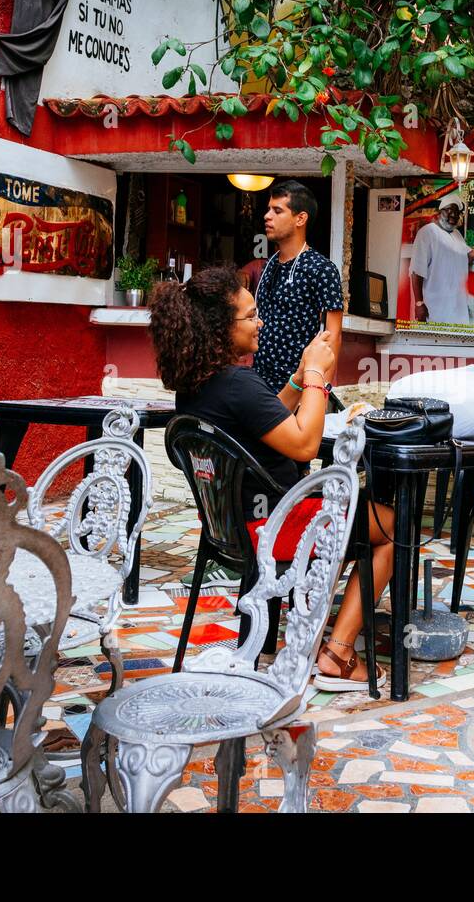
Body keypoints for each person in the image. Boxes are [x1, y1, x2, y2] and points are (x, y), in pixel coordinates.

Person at [150, 268, 392, 691]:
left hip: (233, 530)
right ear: (221, 328)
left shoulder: (198, 387)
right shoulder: (237, 383)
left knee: (358, 510)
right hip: (277, 529)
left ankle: (309, 626)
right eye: (251, 315)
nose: (259, 322)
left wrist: (299, 380)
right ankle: (337, 653)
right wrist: (318, 375)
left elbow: (268, 420)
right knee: (392, 525)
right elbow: (301, 444)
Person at [253, 180, 344, 392]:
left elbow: (333, 335)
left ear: (300, 218)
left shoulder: (322, 268)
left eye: (277, 211)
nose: (267, 216)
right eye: (268, 210)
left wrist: (320, 392)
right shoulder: (269, 265)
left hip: (298, 388)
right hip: (259, 387)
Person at [410, 192, 471, 324]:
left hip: (458, 310)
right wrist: (419, 303)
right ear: (439, 212)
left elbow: (464, 259)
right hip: (435, 310)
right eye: (449, 211)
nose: (453, 215)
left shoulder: (457, 235)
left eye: (456, 212)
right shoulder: (427, 232)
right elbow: (416, 271)